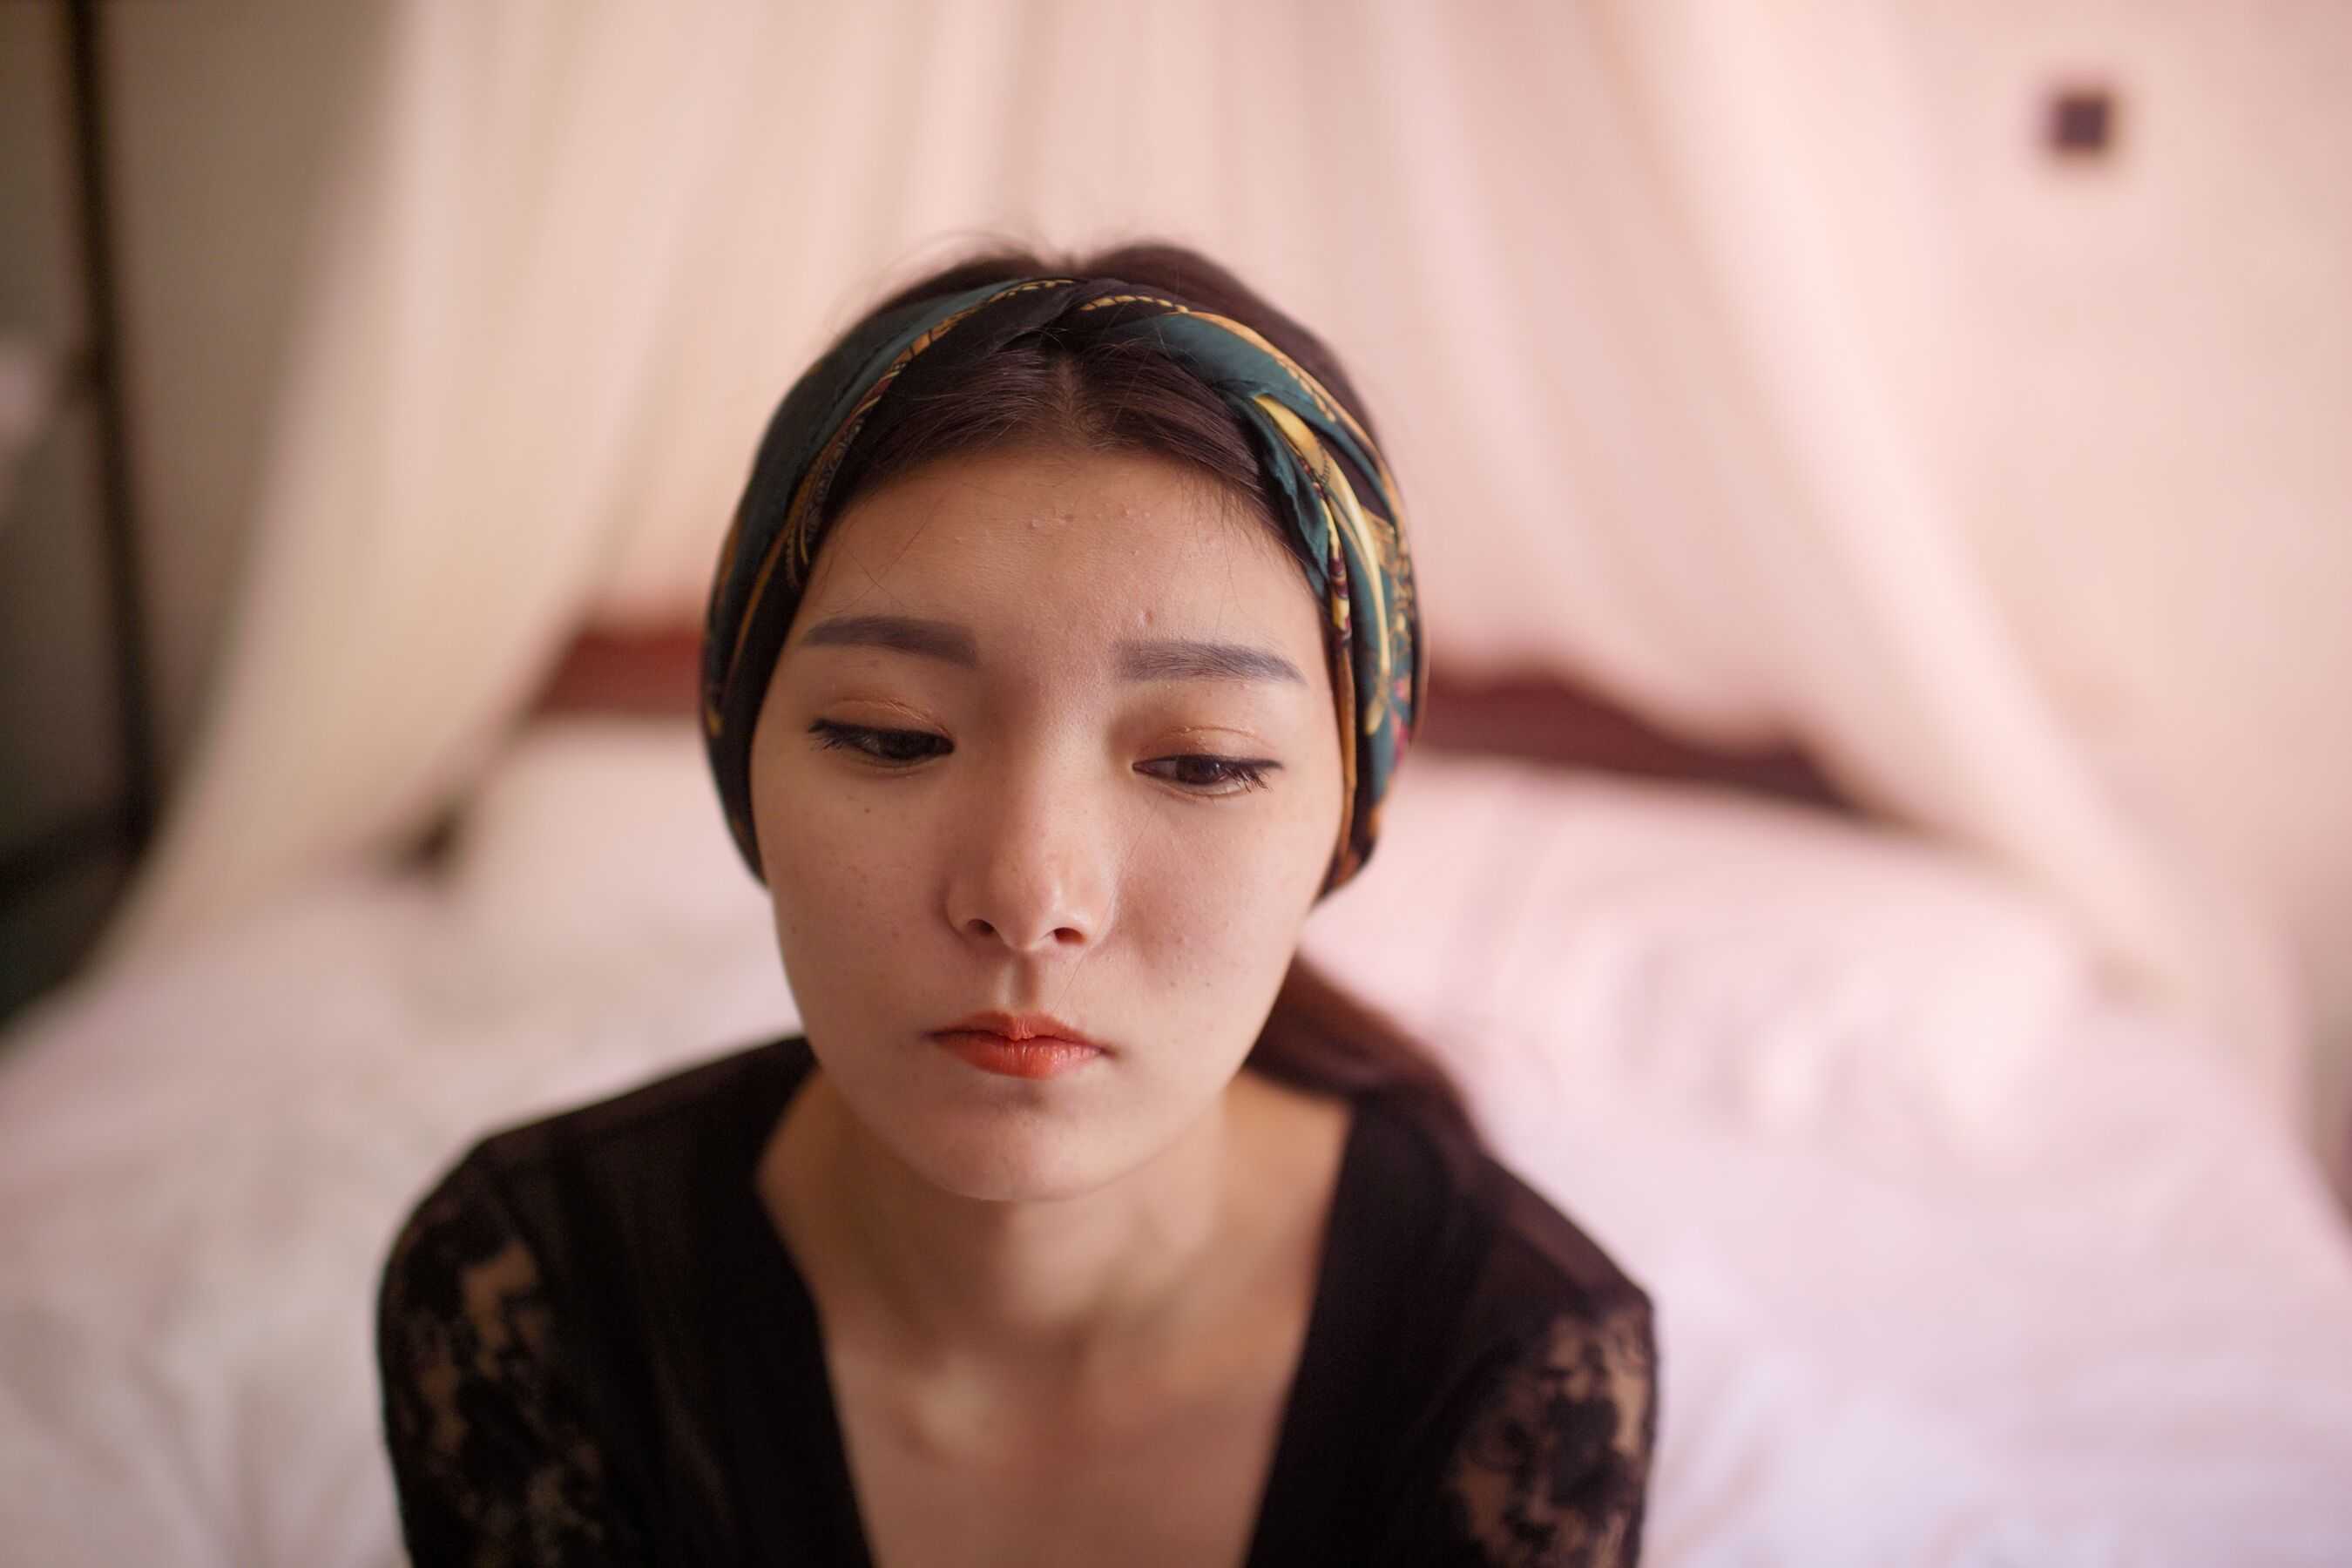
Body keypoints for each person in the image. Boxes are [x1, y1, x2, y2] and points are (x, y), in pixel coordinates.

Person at [376, 243, 1656, 1565]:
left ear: (1345, 820)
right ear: (744, 764)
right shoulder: (530, 1295)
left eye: (1202, 762)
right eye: (892, 735)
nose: (1030, 899)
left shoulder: (1512, 1367)